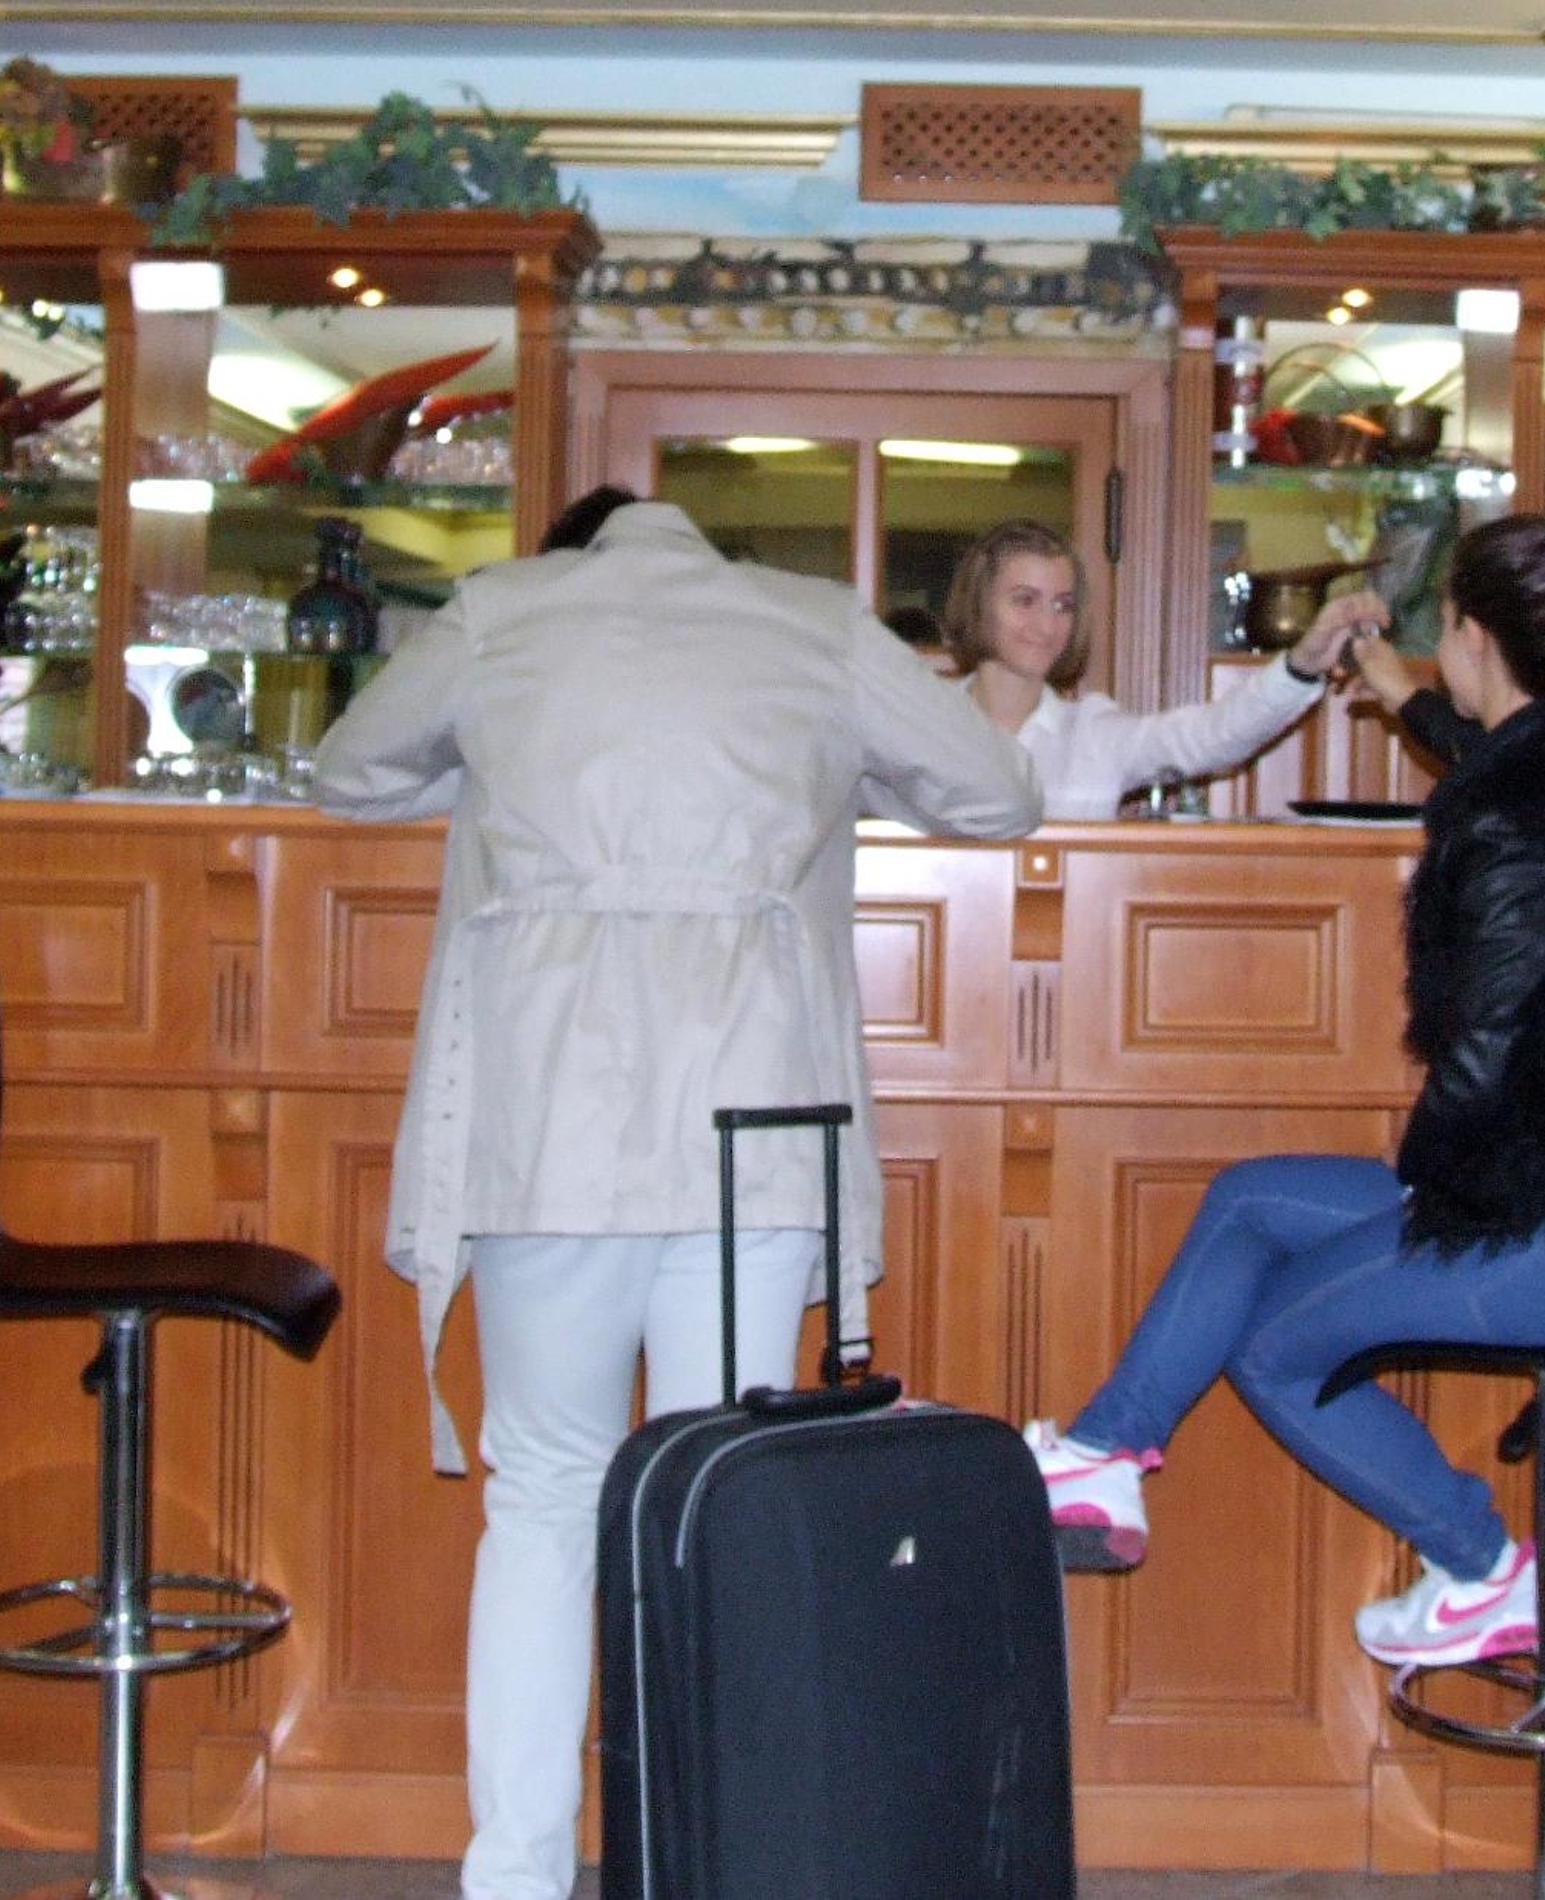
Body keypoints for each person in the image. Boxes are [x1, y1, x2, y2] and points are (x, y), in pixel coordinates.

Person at [310, 491, 1041, 1900]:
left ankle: (514, 1878)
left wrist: (488, 783)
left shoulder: (499, 615)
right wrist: (843, 783)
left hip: (549, 1122)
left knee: (542, 1497)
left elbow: (347, 770)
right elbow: (996, 794)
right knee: (719, 1504)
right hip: (747, 1127)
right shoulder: (814, 624)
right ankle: (719, 1867)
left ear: (579, 550)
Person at [1025, 513, 1545, 1671]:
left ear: (1474, 637)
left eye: (1446, 637)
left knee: (1277, 1345)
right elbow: (1497, 755)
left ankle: (1482, 1566)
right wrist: (1399, 693)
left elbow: (1481, 1051)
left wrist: (1421, 1193)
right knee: (1248, 1200)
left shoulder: (1509, 816)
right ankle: (1106, 1453)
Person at [945, 517, 1365, 817]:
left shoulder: (1094, 734)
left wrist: (1302, 665)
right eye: (1024, 600)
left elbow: (1214, 734)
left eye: (1063, 605)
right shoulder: (924, 721)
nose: (1047, 625)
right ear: (978, 604)